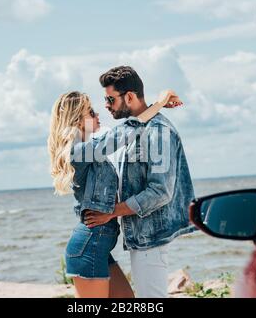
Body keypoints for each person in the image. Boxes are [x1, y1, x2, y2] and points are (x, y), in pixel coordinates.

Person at [48, 90, 182, 298]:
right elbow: (125, 132)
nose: (97, 115)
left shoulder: (89, 151)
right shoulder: (80, 152)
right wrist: (158, 103)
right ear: (77, 120)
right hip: (89, 246)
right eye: (90, 112)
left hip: (98, 247)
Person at [84, 66, 196, 298]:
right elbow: (93, 148)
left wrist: (111, 213)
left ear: (130, 97)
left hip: (151, 238)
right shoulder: (134, 129)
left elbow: (159, 191)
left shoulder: (159, 132)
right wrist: (159, 101)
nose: (106, 105)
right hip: (141, 237)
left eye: (109, 98)